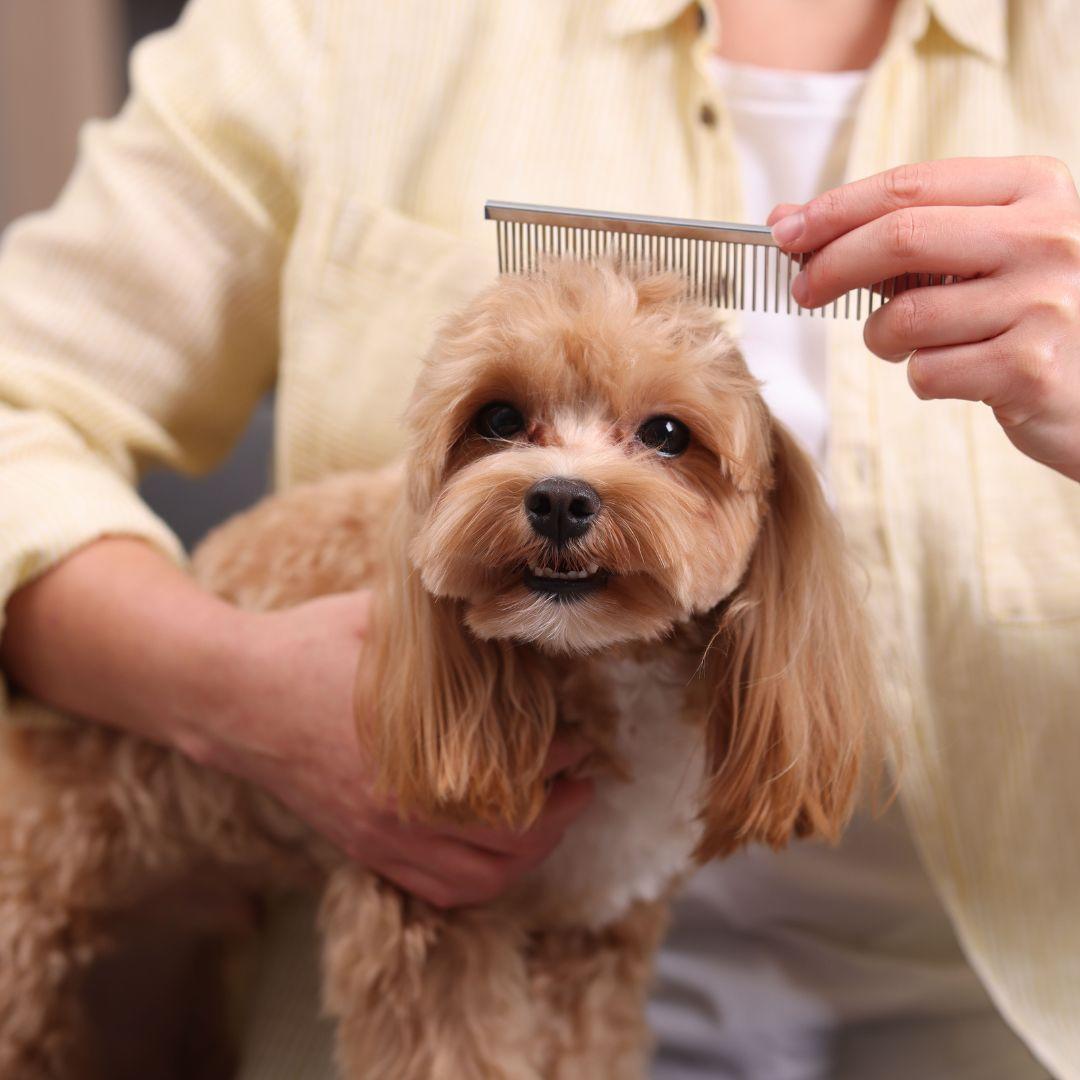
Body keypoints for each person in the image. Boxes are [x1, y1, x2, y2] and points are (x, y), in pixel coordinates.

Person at [0, 0, 1078, 1076]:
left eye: (662, 435)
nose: (564, 485)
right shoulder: (334, 27)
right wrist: (222, 690)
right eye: (504, 423)